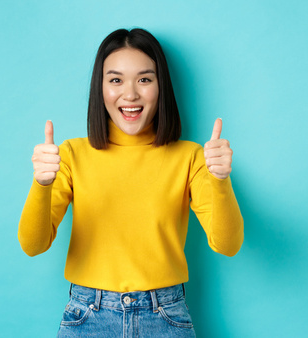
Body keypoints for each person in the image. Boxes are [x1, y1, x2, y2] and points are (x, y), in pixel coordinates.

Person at [18, 28, 244, 337]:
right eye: (115, 80)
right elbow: (33, 245)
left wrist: (220, 180)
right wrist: (42, 185)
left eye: (144, 79)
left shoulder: (190, 157)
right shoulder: (70, 155)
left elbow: (228, 245)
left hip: (165, 316)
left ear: (160, 87)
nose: (130, 94)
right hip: (88, 316)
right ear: (101, 89)